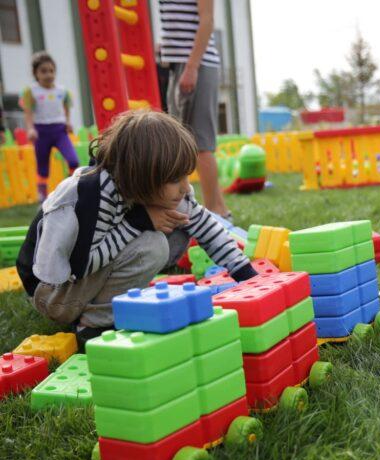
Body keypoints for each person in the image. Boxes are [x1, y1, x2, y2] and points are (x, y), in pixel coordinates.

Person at [16, 110, 257, 346]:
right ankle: (93, 325)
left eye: (186, 176)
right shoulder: (93, 197)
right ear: (142, 174)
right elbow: (80, 267)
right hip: (53, 292)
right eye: (176, 180)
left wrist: (248, 277)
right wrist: (137, 222)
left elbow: (206, 226)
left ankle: (102, 303)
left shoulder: (154, 186)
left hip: (78, 281)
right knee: (152, 246)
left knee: (181, 221)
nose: (185, 187)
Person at [159, 0, 230, 220]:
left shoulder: (193, 66)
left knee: (199, 144)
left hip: (195, 65)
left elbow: (207, 21)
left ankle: (217, 212)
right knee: (181, 142)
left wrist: (192, 67)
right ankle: (207, 210)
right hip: (178, 65)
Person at [21, 51, 80, 202]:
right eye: (44, 71)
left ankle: (71, 190)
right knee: (43, 168)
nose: (49, 74)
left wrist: (67, 121)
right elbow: (28, 113)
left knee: (73, 161)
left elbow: (66, 107)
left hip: (59, 131)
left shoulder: (62, 91)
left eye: (52, 70)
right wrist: (30, 128)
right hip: (41, 132)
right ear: (36, 73)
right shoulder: (31, 91)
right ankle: (43, 198)